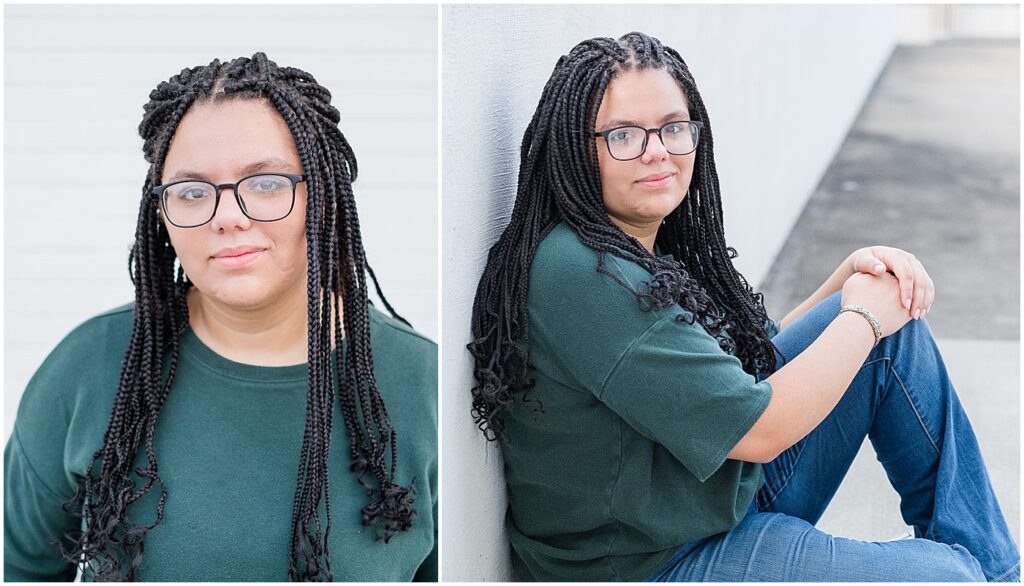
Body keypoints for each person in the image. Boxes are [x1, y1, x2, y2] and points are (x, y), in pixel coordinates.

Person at [467, 32, 1018, 582]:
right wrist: (863, 318)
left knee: (889, 333)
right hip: (649, 563)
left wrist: (847, 281)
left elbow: (750, 378)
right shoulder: (588, 275)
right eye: (624, 135)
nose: (656, 150)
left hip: (707, 497)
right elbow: (763, 428)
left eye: (672, 128)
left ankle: (1000, 571)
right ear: (575, 149)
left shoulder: (633, 244)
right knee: (946, 577)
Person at [5, 54, 437, 582]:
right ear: (161, 214)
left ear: (322, 195)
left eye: (267, 183)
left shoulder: (424, 386)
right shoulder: (88, 366)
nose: (228, 217)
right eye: (191, 191)